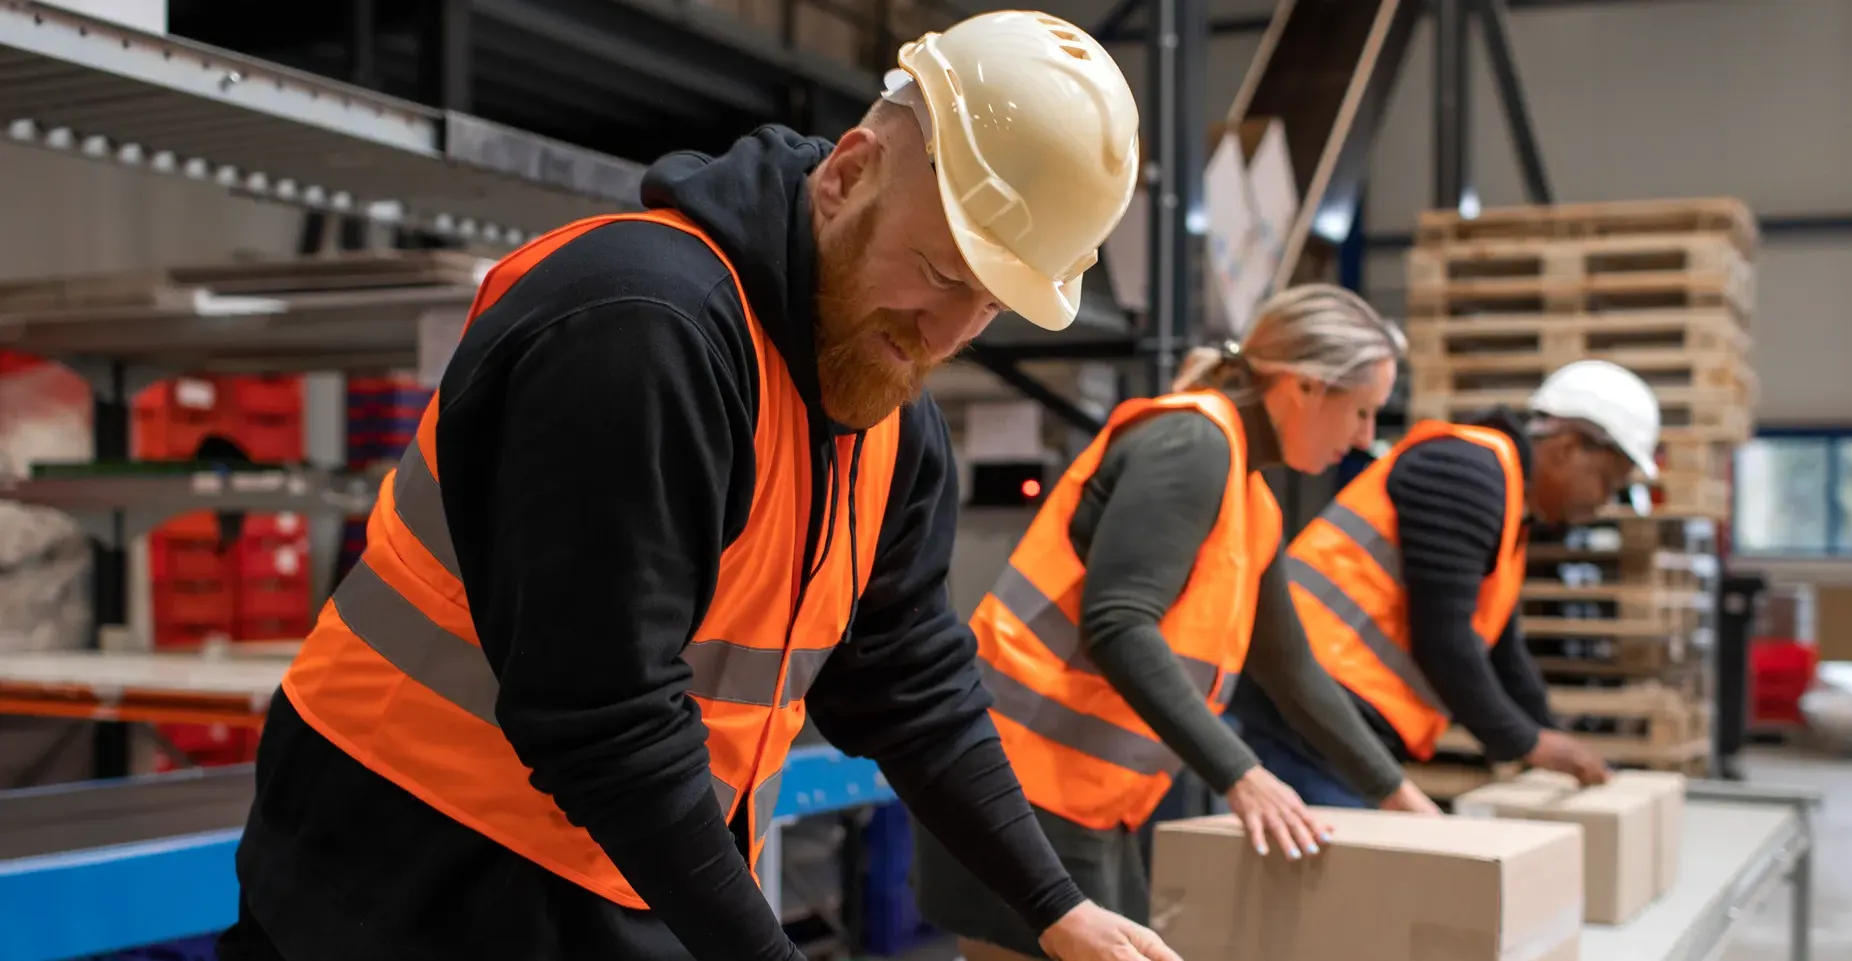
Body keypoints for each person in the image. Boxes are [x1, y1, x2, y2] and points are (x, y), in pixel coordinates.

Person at [217, 13, 1183, 961]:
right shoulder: (643, 330)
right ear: (848, 175)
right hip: (399, 885)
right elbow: (606, 718)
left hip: (614, 883)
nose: (946, 333)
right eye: (940, 271)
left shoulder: (887, 417)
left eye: (990, 305)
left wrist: (1057, 907)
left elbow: (910, 681)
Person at [915, 285, 1443, 961]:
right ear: (1305, 387)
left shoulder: (1251, 499)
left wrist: (1397, 794)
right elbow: (1119, 623)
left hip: (1078, 797)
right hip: (1016, 786)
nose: (1367, 437)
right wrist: (1242, 774)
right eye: (1362, 410)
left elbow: (1291, 671)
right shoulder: (1191, 445)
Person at [1229, 360, 1664, 805]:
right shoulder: (1465, 474)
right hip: (1303, 706)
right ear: (1568, 448)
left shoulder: (1505, 499)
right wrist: (1528, 742)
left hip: (1329, 711)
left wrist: (1548, 735)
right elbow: (1443, 639)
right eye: (1607, 482)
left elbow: (1501, 651)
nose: (1602, 502)